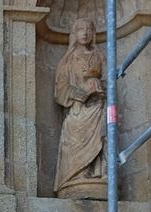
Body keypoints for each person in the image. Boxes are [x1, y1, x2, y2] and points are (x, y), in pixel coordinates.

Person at [54, 17, 108, 200]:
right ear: (74, 34)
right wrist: (82, 92)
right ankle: (75, 177)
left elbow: (110, 82)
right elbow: (60, 89)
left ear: (93, 33)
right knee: (74, 136)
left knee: (102, 137)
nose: (84, 33)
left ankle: (96, 173)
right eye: (80, 29)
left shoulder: (100, 57)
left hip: (97, 107)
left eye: (88, 29)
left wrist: (99, 87)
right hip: (77, 110)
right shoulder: (67, 61)